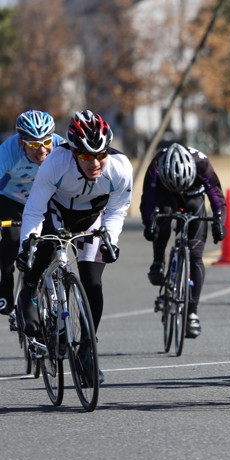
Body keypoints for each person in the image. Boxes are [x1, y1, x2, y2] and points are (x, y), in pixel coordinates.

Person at [15, 110, 133, 383]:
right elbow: (34, 211)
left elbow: (118, 210)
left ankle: (87, 350)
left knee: (93, 282)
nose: (95, 163)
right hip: (55, 213)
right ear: (73, 153)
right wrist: (26, 247)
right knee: (40, 253)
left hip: (92, 218)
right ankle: (30, 292)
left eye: (100, 155)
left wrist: (111, 240)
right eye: (86, 156)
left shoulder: (120, 167)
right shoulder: (55, 164)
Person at [139, 143, 226, 339]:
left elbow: (217, 198)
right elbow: (148, 199)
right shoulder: (157, 165)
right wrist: (149, 224)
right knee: (164, 215)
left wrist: (219, 223)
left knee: (196, 255)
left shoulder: (202, 164)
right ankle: (158, 261)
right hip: (166, 196)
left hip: (194, 198)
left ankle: (192, 312)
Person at [0, 110, 65, 316]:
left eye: (46, 142)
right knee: (12, 237)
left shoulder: (62, 147)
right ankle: (6, 285)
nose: (42, 150)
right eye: (34, 145)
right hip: (12, 198)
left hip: (44, 199)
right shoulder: (8, 151)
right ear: (22, 144)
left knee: (54, 238)